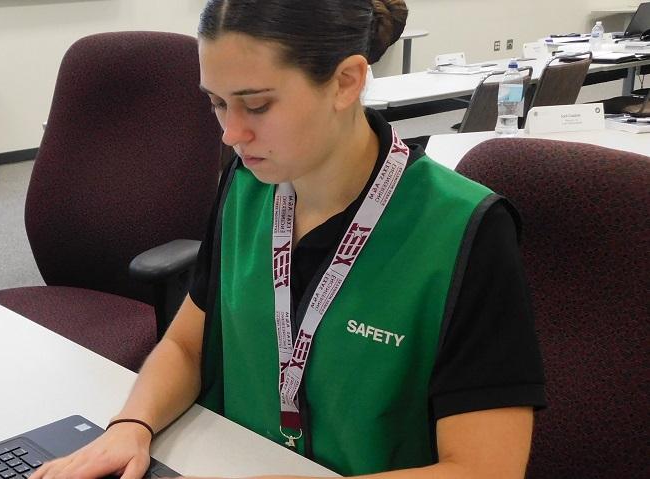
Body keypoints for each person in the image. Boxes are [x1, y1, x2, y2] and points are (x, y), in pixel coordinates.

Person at [31, 0, 546, 477]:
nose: (231, 133)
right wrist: (132, 426)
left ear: (346, 82)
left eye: (255, 106)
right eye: (216, 103)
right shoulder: (248, 187)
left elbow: (485, 469)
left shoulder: (462, 230)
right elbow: (188, 344)